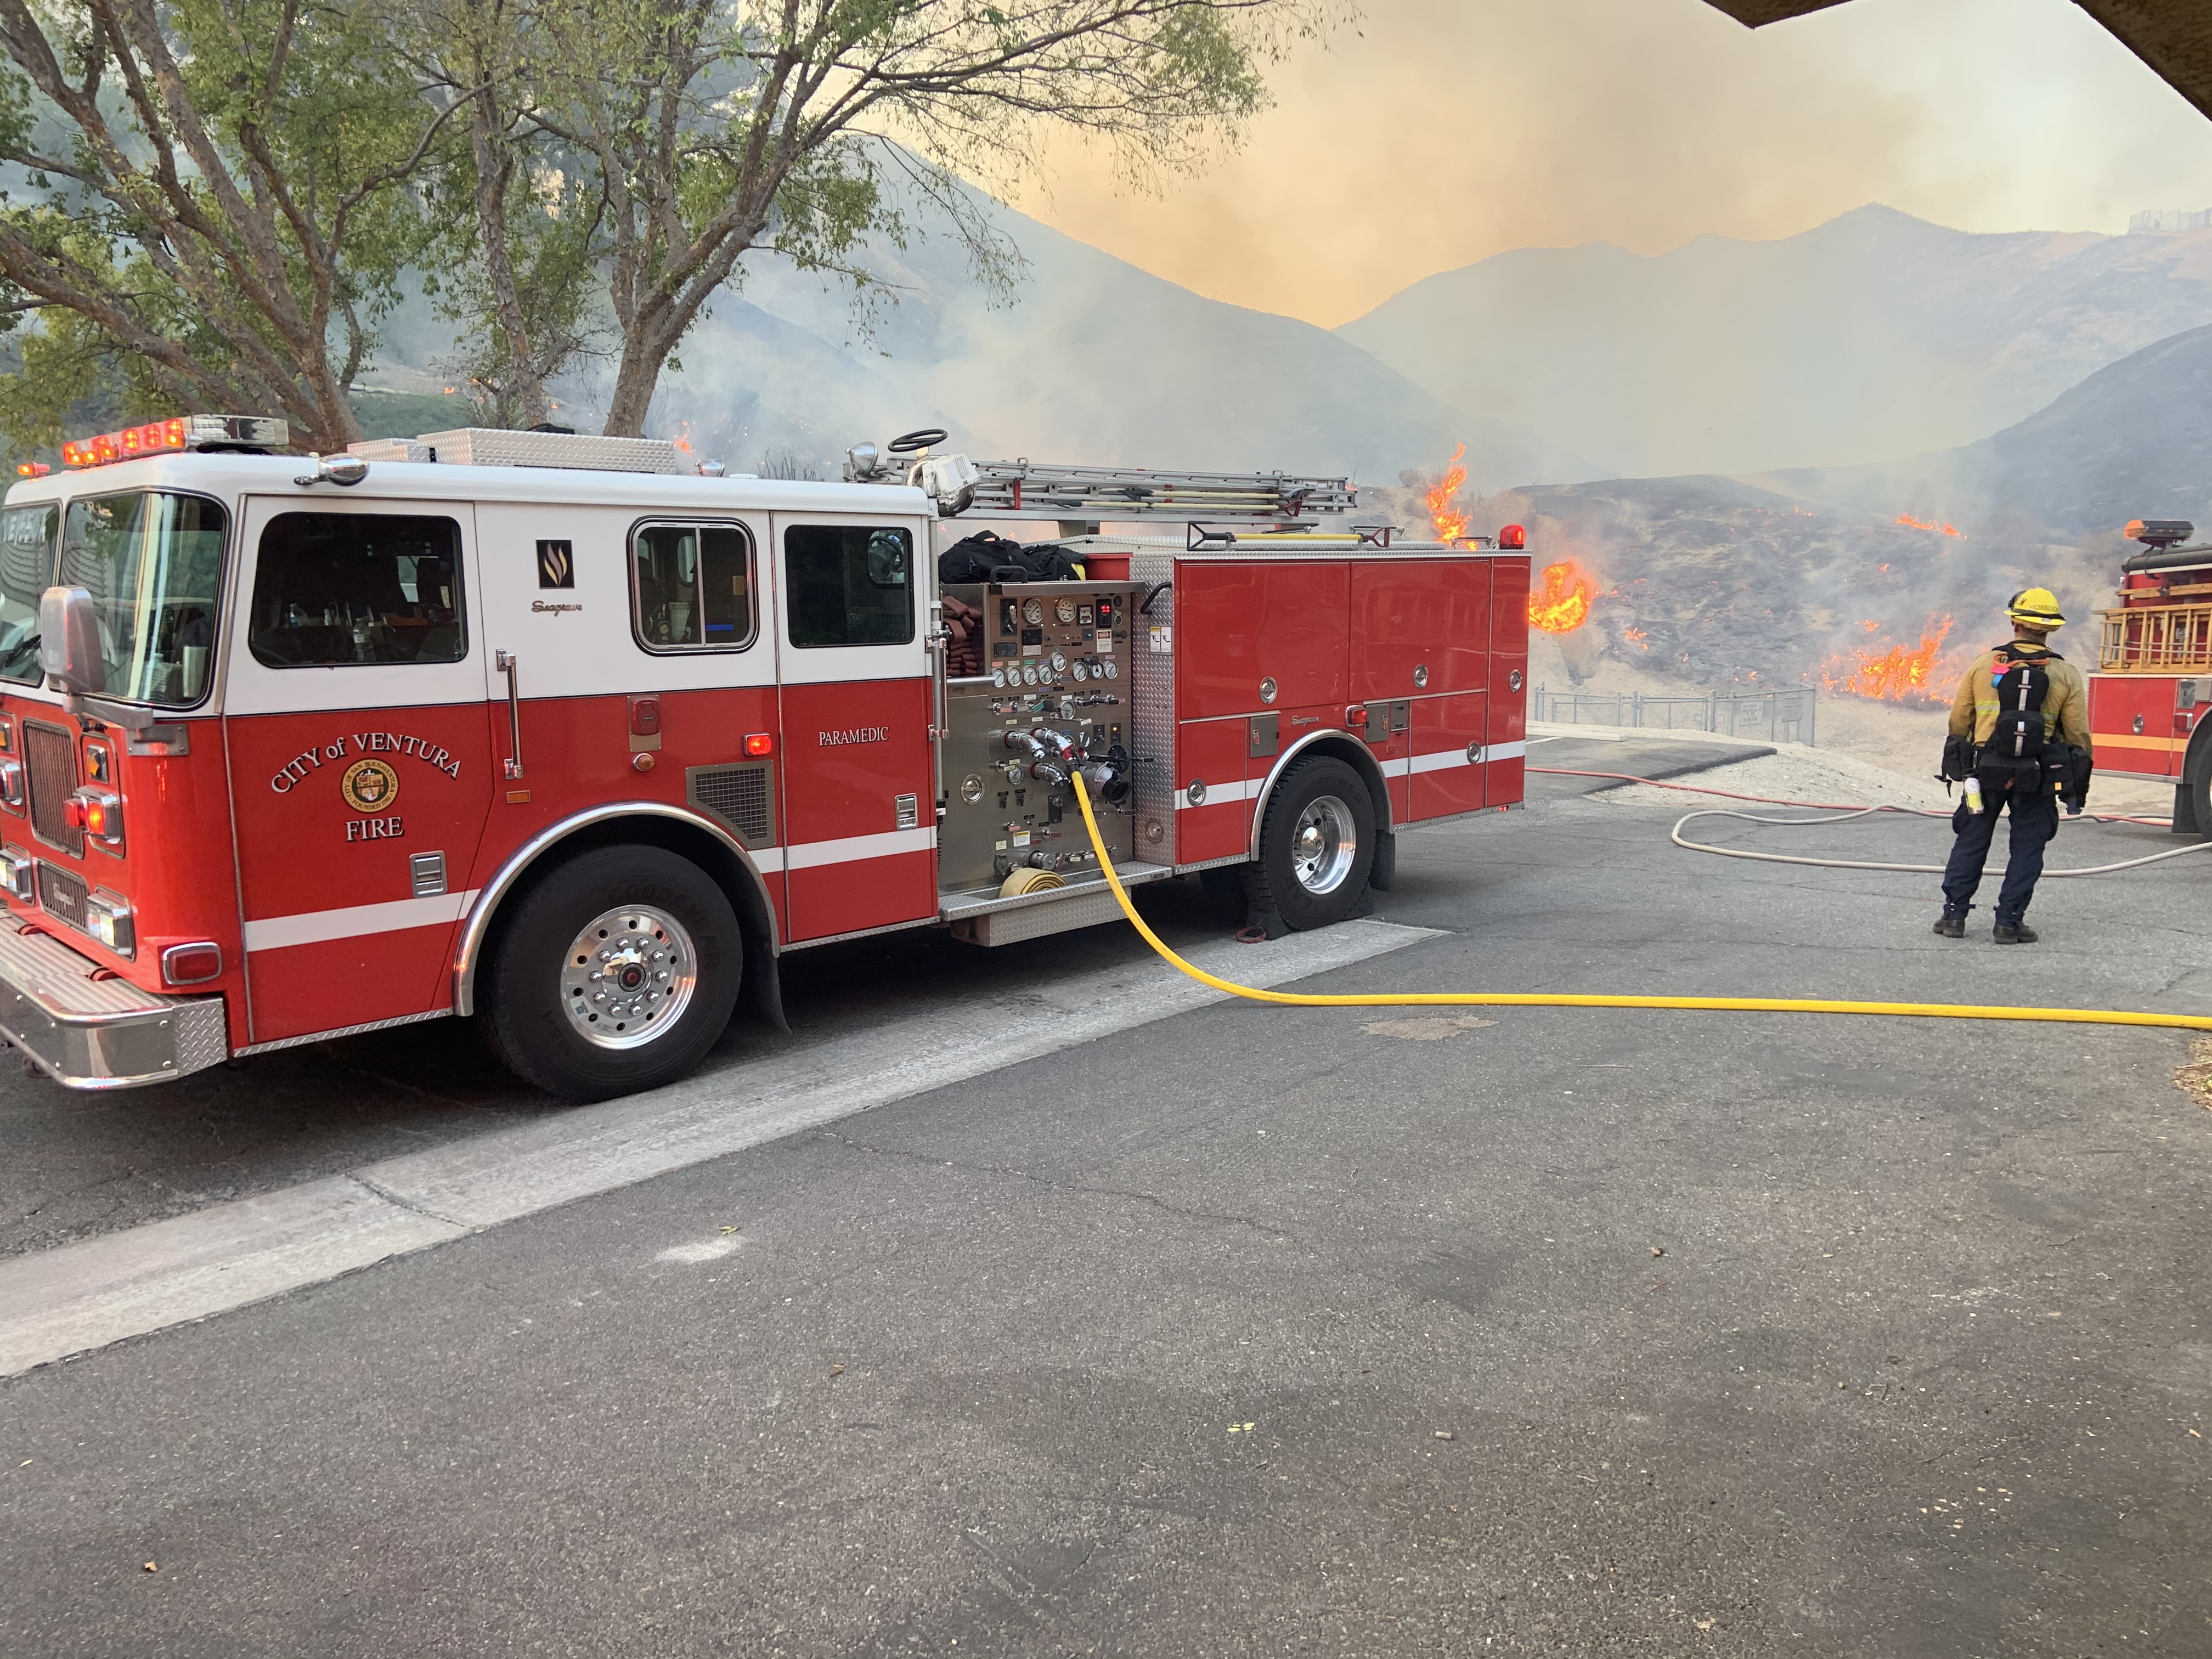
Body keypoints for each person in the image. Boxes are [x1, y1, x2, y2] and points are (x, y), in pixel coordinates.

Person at [1934, 588, 2092, 943]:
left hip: (1984, 771)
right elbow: (2077, 734)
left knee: (1972, 839)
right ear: (2051, 628)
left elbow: (1960, 721)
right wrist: (2076, 783)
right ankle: (2009, 922)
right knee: (2028, 847)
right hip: (2036, 776)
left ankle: (1953, 917)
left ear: (2015, 621)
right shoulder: (2066, 674)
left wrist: (1963, 762)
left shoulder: (1982, 665)